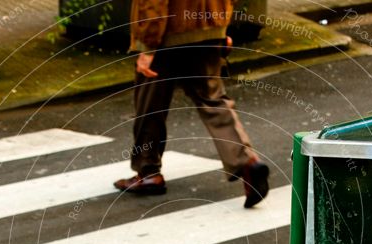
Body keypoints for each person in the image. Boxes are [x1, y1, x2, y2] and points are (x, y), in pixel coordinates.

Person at [113, 0, 270, 208]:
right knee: (212, 99)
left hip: (167, 31)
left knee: (150, 101)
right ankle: (246, 161)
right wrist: (221, 25)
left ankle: (148, 171)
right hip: (209, 26)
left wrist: (148, 45)